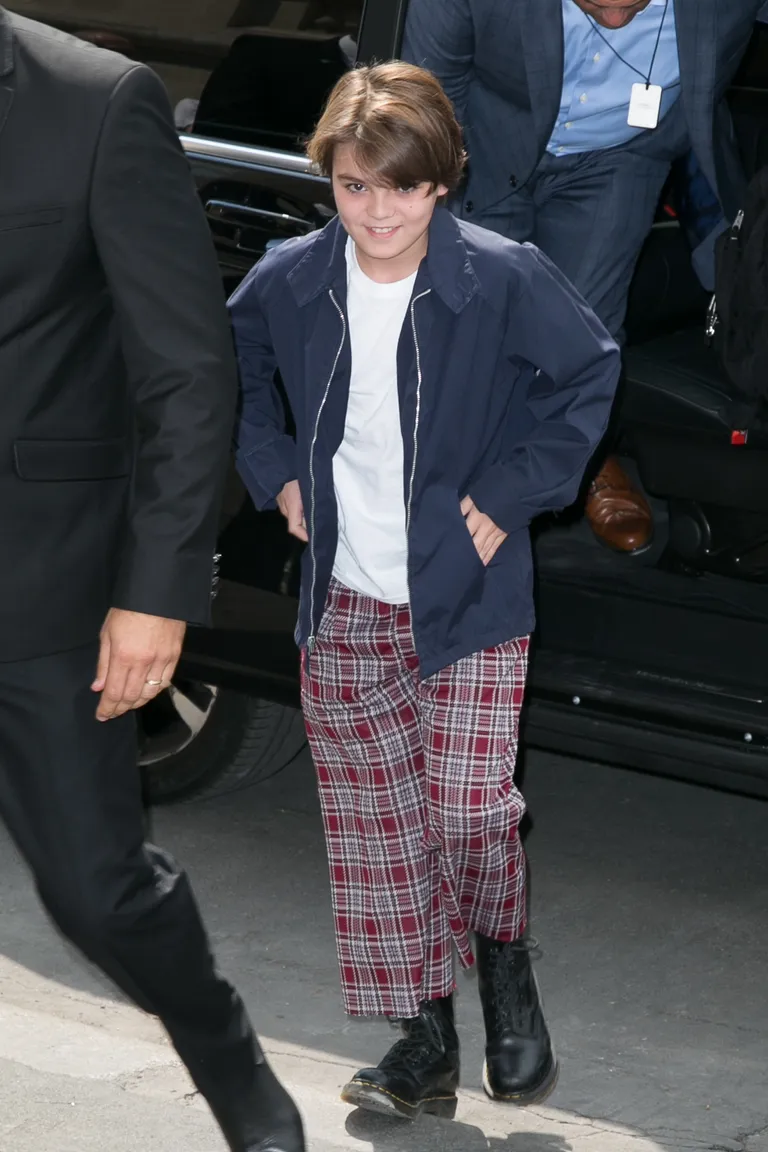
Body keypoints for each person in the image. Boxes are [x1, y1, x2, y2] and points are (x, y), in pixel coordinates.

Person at [229, 61, 621, 1120]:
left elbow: (586, 374)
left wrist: (514, 488)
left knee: (466, 808)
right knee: (380, 828)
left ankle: (503, 960)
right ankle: (425, 1041)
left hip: (471, 599)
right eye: (355, 186)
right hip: (346, 600)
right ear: (333, 182)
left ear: (439, 181)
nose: (377, 211)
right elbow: (233, 365)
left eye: (399, 187)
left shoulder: (501, 275)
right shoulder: (292, 277)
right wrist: (273, 473)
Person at [0, 10, 303, 1152]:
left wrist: (160, 590)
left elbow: (187, 371)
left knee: (95, 888)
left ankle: (225, 1055)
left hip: (42, 579)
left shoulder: (95, 99)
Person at [403, 0, 768, 554]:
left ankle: (581, 461)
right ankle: (436, 500)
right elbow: (424, 103)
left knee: (584, 339)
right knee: (471, 339)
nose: (618, 19)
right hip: (480, 147)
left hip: (620, 155)